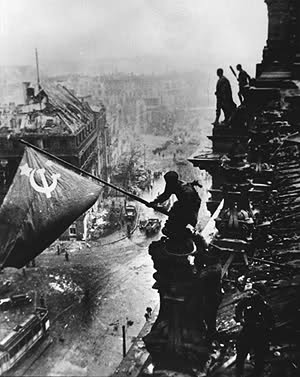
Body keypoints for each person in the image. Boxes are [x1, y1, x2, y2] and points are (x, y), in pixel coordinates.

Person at [234, 287, 275, 377]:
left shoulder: (264, 306)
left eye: (257, 293)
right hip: (247, 330)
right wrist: (240, 320)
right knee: (241, 354)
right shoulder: (246, 301)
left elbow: (271, 322)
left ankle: (256, 374)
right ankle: (239, 373)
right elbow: (238, 310)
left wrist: (265, 329)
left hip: (259, 333)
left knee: (259, 357)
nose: (254, 294)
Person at [149, 171, 201, 236]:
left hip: (192, 203)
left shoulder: (186, 191)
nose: (167, 183)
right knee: (176, 209)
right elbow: (165, 195)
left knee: (187, 220)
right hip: (183, 202)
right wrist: (154, 202)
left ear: (172, 181)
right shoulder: (173, 184)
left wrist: (178, 216)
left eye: (168, 181)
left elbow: (190, 206)